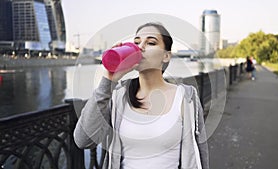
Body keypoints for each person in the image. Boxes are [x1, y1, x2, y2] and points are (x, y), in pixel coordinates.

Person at [73, 22, 209, 169]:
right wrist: (108, 80)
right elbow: (83, 140)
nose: (140, 47)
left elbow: (200, 154)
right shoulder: (119, 95)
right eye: (136, 42)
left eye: (150, 42)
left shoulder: (186, 97)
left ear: (166, 56)